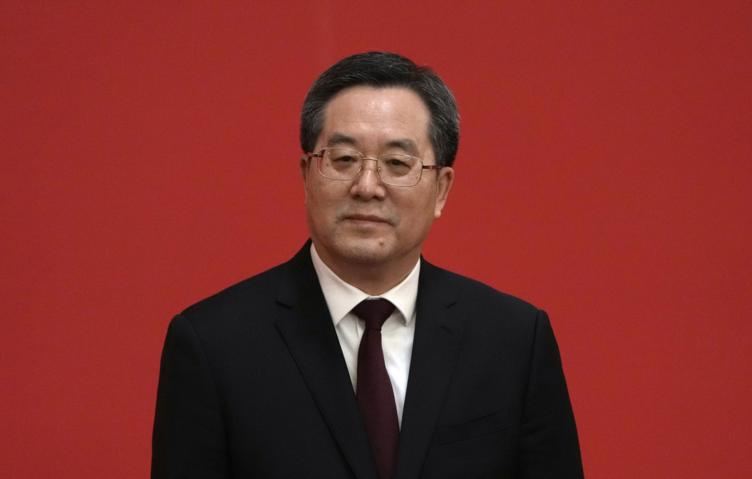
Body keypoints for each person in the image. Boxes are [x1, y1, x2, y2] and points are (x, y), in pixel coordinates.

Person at [152, 51, 583, 479]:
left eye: (397, 163)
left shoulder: (514, 340)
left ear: (441, 189)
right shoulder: (213, 345)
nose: (367, 186)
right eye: (344, 160)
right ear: (306, 175)